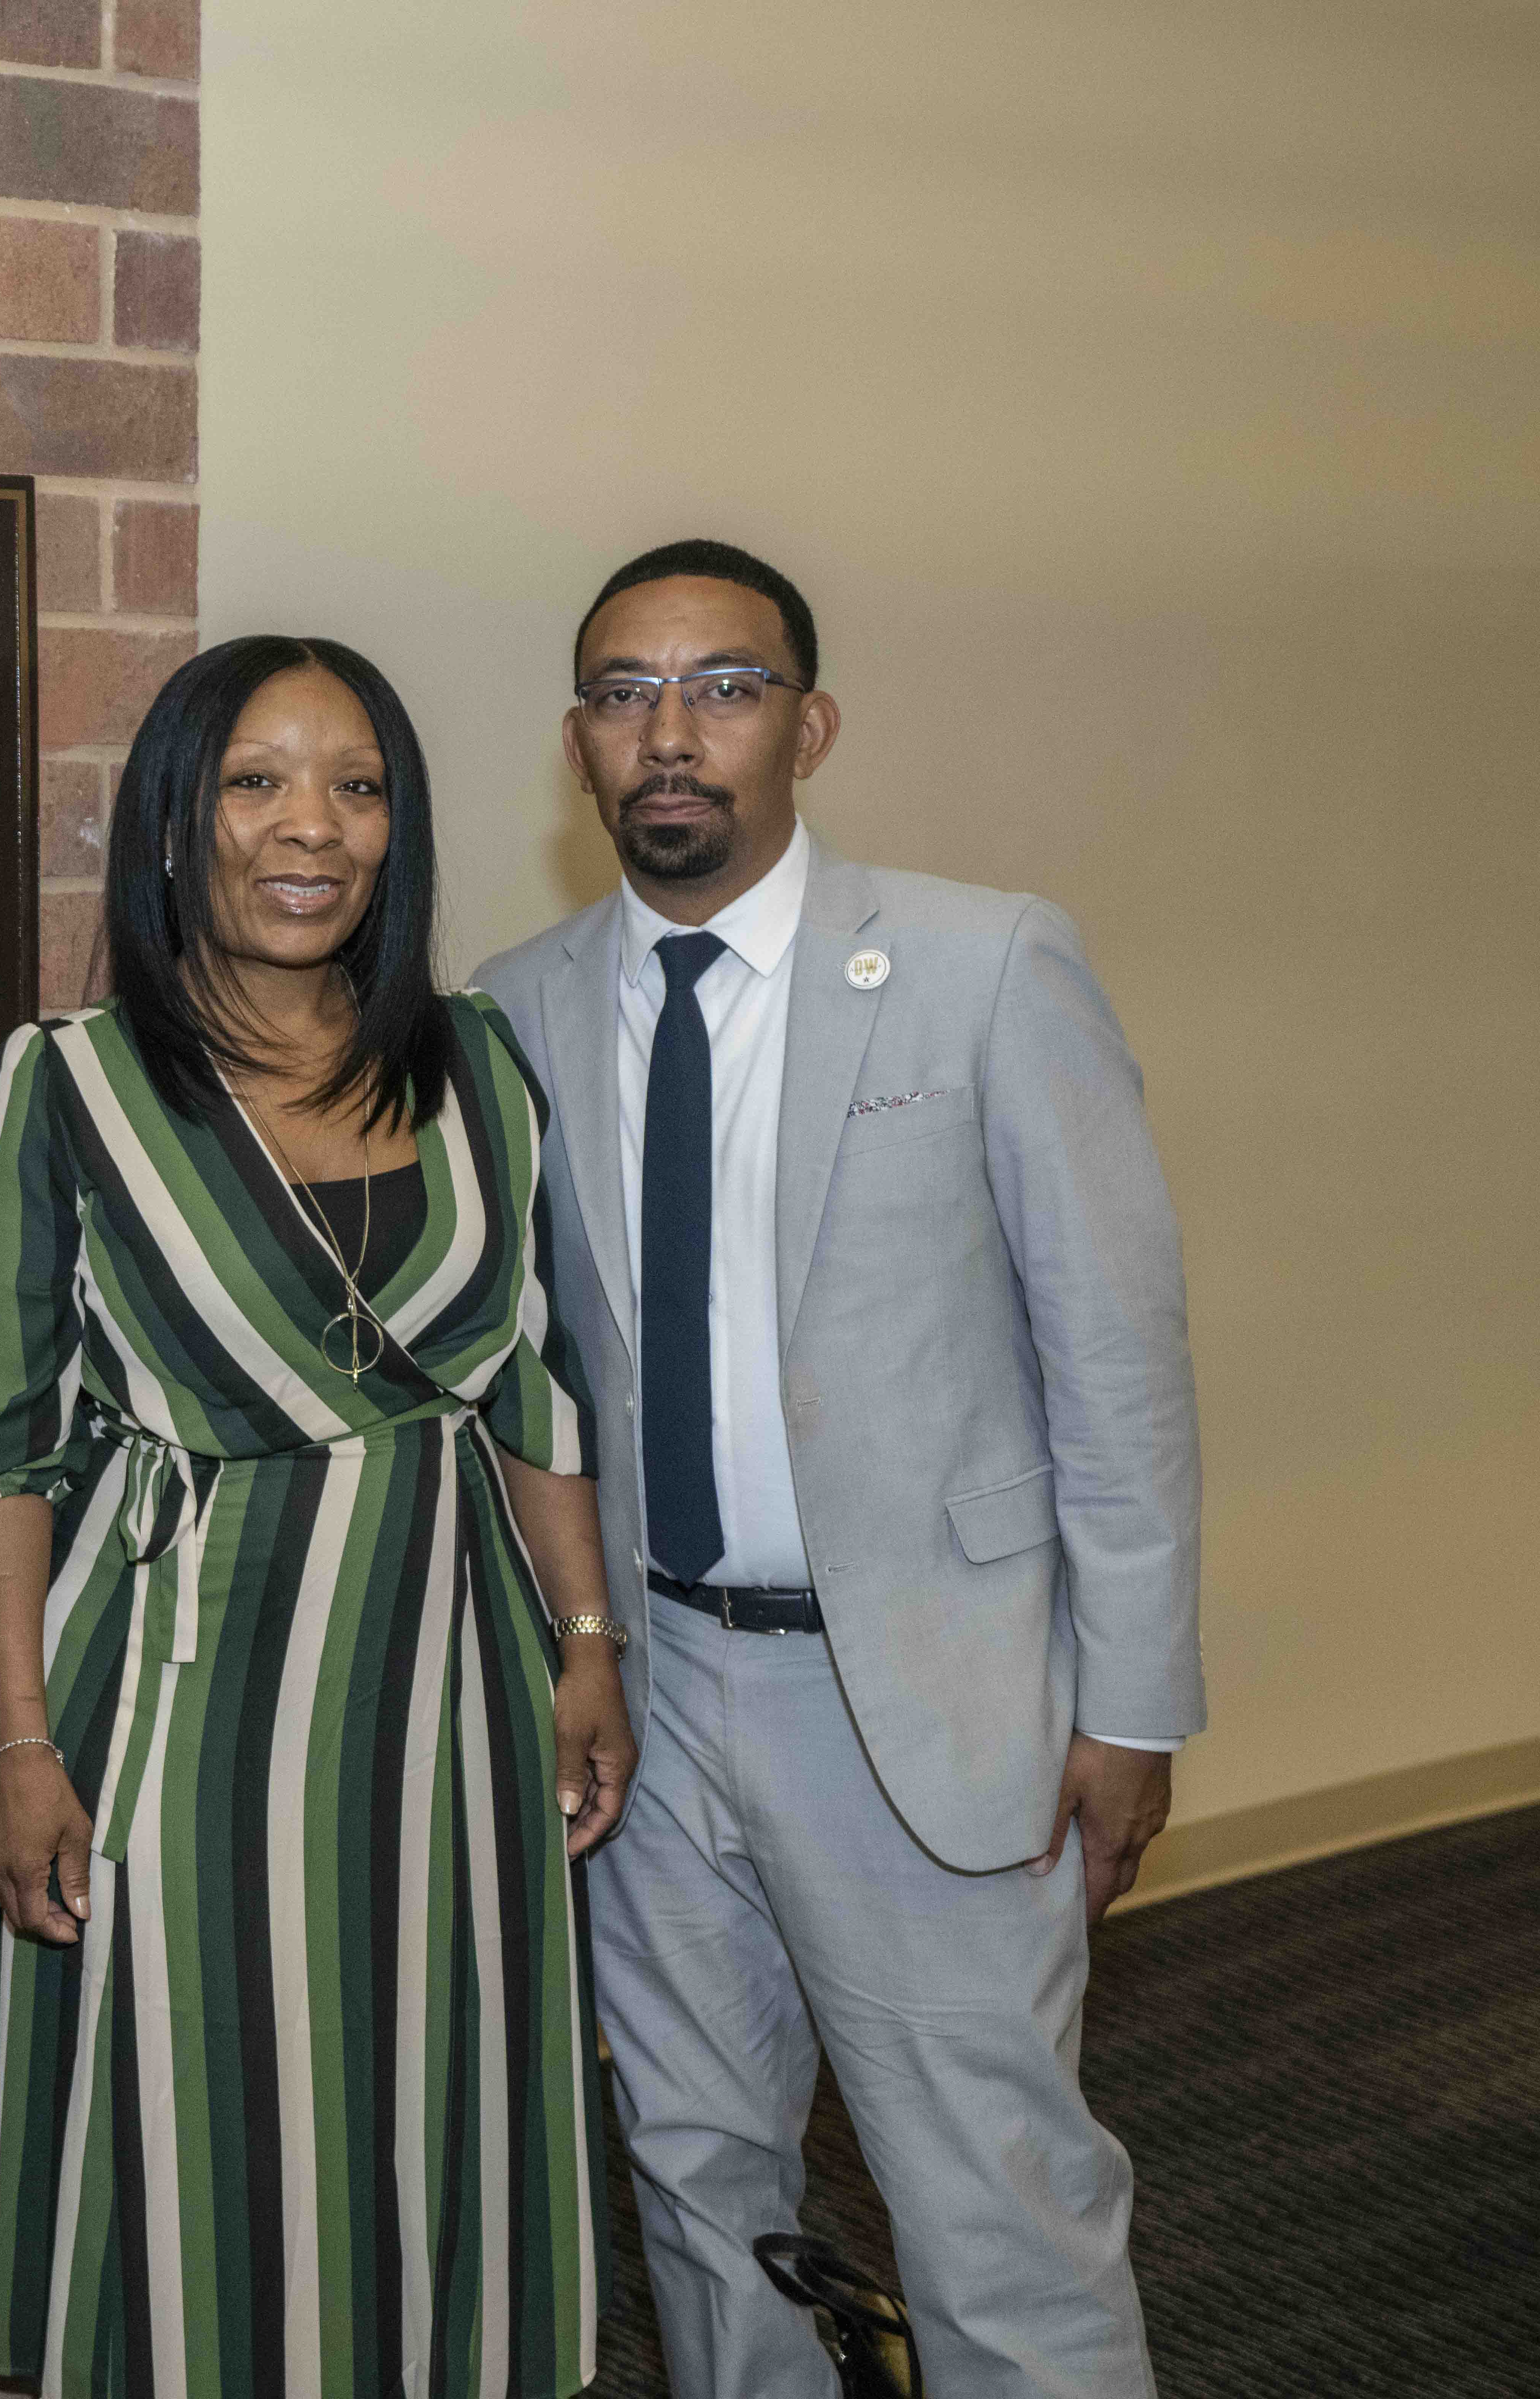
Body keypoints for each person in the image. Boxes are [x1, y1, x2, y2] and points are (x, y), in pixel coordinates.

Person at [474, 538, 1201, 2398]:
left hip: (918, 1695)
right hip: (648, 1698)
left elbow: (1112, 1364)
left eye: (718, 685)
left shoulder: (979, 965)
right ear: (577, 741)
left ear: (806, 723)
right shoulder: (513, 1012)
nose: (669, 731)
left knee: (992, 2214)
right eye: (626, 691)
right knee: (705, 2200)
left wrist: (1128, 1703)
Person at [0, 635, 638, 2397]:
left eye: (355, 784)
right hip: (183, 1680)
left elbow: (528, 1377)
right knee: (198, 2105)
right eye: (253, 780)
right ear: (174, 820)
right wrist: (14, 1741)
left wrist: (587, 1641)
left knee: (424, 2088)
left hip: (449, 1684)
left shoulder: (473, 1061)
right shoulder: (63, 1086)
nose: (308, 825)